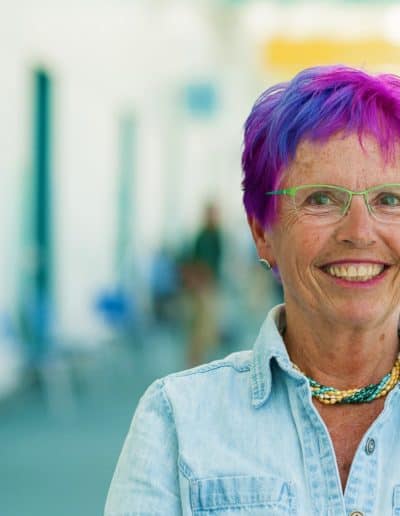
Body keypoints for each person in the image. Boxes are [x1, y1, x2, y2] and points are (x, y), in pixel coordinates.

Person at [105, 65, 400, 515]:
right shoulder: (177, 422)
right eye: (321, 199)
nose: (359, 232)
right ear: (262, 232)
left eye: (390, 199)